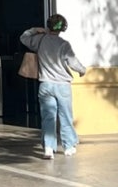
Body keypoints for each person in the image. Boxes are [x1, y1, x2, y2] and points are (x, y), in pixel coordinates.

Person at [20, 14, 86, 159]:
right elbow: (73, 62)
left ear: (48, 26)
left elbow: (23, 37)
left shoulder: (39, 40)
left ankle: (48, 148)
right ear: (63, 28)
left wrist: (35, 30)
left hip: (45, 85)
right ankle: (68, 146)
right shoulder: (64, 44)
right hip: (62, 86)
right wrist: (82, 70)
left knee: (48, 117)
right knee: (65, 116)